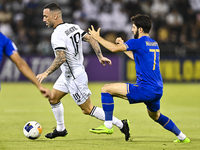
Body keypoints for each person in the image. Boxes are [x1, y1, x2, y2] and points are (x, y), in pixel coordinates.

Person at [88, 14, 190, 143]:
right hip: (157, 89)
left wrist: (97, 38)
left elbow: (113, 48)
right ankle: (182, 137)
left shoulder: (137, 42)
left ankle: (108, 125)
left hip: (145, 89)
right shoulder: (153, 43)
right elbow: (139, 59)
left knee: (106, 89)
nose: (132, 29)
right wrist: (124, 46)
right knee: (155, 115)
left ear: (140, 29)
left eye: (133, 27)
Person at [36, 3, 131, 141]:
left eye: (46, 16)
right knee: (53, 98)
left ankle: (121, 124)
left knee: (87, 109)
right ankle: (61, 129)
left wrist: (46, 73)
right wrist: (100, 56)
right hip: (68, 75)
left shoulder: (57, 34)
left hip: (75, 77)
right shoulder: (73, 27)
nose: (44, 19)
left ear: (54, 16)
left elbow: (61, 57)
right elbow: (91, 38)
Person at [0, 32, 50, 98]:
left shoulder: (3, 39)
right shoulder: (3, 39)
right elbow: (20, 63)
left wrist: (39, 86)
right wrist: (39, 86)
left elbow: (20, 63)